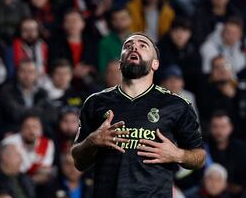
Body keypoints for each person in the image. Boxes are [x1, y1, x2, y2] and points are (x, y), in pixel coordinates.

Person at [71, 32, 206, 197]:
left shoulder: (176, 105)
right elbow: (78, 162)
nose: (133, 47)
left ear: (155, 64)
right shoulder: (95, 102)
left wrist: (178, 154)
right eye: (128, 46)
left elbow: (199, 156)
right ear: (120, 63)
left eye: (143, 45)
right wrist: (92, 141)